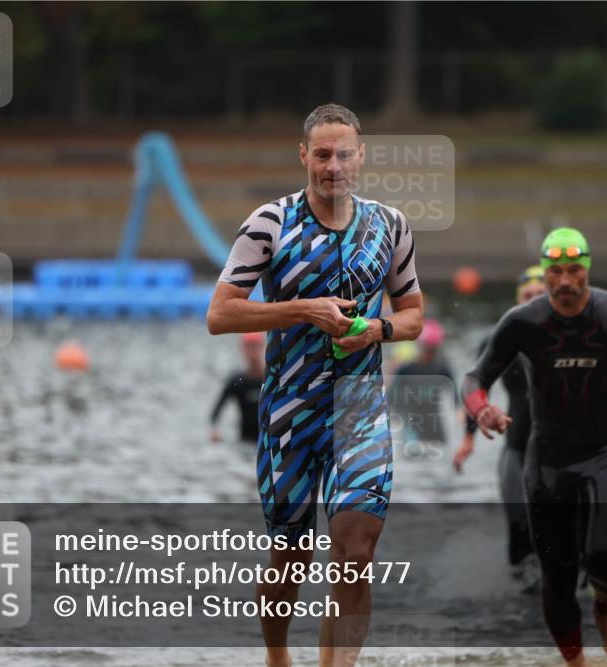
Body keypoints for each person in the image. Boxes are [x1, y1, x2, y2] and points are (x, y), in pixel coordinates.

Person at [206, 103, 424, 667]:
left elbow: (414, 314)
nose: (333, 166)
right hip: (289, 411)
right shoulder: (269, 224)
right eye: (322, 155)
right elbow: (221, 314)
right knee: (291, 556)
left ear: (361, 157)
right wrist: (305, 310)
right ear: (304, 155)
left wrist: (375, 329)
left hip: (360, 411)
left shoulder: (390, 226)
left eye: (343, 154)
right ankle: (278, 658)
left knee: (354, 552)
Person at [462, 228, 607, 666]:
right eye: (556, 272)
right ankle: (576, 662)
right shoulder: (523, 322)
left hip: (606, 451)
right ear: (545, 275)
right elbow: (474, 378)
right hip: (547, 458)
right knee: (558, 576)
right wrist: (481, 409)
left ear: (587, 270)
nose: (565, 281)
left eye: (574, 271)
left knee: (605, 556)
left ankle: (605, 609)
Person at [453, 265, 546, 584]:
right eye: (528, 296)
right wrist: (468, 440)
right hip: (517, 449)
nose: (533, 301)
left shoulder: (569, 340)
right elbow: (476, 387)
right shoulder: (500, 339)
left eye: (540, 295)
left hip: (560, 453)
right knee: (520, 526)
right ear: (517, 299)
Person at [386, 319, 461, 455]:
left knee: (438, 453)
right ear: (421, 347)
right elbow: (391, 394)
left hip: (434, 421)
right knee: (413, 453)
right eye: (428, 349)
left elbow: (454, 392)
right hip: (411, 421)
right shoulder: (407, 369)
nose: (430, 354)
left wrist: (459, 410)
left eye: (433, 350)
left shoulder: (442, 369)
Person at [210, 332, 266, 443]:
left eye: (255, 346)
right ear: (242, 350)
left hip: (267, 441)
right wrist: (215, 430)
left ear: (262, 347)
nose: (252, 352)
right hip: (244, 442)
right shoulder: (237, 381)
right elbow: (216, 411)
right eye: (248, 347)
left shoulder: (271, 379)